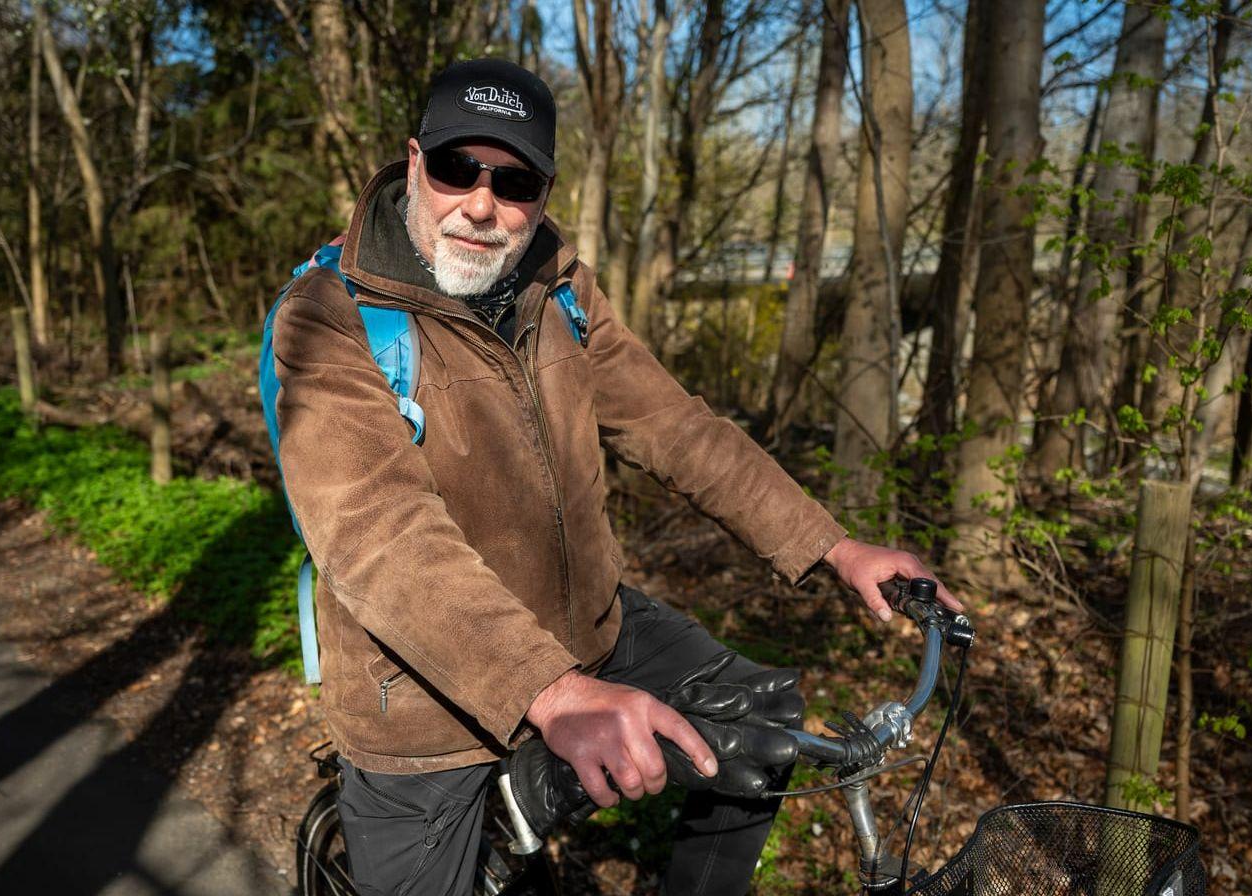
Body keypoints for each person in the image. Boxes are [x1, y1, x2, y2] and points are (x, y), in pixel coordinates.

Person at [269, 58, 962, 896]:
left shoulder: (556, 289)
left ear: (544, 193)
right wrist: (553, 696)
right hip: (415, 696)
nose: (482, 205)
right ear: (415, 162)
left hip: (583, 628)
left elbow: (675, 428)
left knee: (762, 717)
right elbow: (377, 535)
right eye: (458, 169)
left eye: (515, 182)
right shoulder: (325, 317)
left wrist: (831, 546)